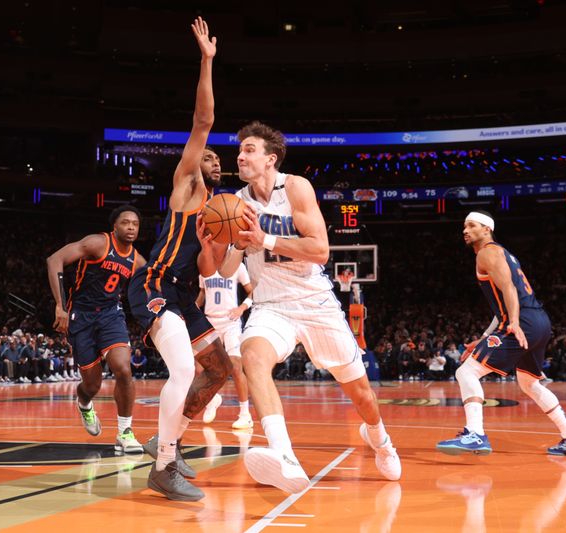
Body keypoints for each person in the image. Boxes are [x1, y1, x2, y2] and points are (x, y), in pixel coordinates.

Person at [216, 120, 401, 494]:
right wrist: (234, 243)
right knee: (252, 358)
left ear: (271, 159)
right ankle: (283, 456)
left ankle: (380, 439)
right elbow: (225, 269)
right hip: (271, 306)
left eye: (249, 150)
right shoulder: (235, 204)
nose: (240, 156)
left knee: (362, 395)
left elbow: (319, 250)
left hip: (314, 303)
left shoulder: (295, 187)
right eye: (240, 151)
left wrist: (264, 238)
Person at [128, 17, 232, 502]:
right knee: (184, 372)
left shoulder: (217, 212)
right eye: (206, 156)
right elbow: (204, 122)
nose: (211, 160)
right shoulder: (187, 187)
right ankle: (163, 466)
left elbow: (214, 272)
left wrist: (234, 241)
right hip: (154, 285)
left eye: (215, 160)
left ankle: (164, 441)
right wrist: (207, 61)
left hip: (186, 295)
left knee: (218, 371)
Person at [436, 211, 566, 456]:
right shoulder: (503, 254)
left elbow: (508, 289)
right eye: (464, 226)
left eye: (471, 225)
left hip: (524, 321)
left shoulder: (488, 251)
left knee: (466, 371)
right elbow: (502, 306)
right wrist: (486, 337)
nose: (464, 231)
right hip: (539, 321)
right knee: (530, 383)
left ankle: (475, 433)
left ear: (486, 229)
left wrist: (515, 323)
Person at [46, 203, 146, 455]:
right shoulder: (97, 243)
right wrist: (60, 306)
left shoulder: (137, 261)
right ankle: (84, 403)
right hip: (82, 315)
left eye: (135, 223)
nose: (131, 227)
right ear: (115, 226)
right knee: (92, 385)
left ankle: (125, 432)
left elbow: (149, 293)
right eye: (126, 222)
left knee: (123, 368)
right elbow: (54, 259)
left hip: (112, 315)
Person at [196, 261, 255, 429]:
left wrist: (242, 308)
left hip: (230, 321)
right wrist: (193, 307)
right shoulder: (205, 264)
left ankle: (245, 414)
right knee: (199, 367)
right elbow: (202, 293)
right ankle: (213, 398)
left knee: (236, 367)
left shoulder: (237, 265)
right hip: (209, 321)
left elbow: (252, 292)